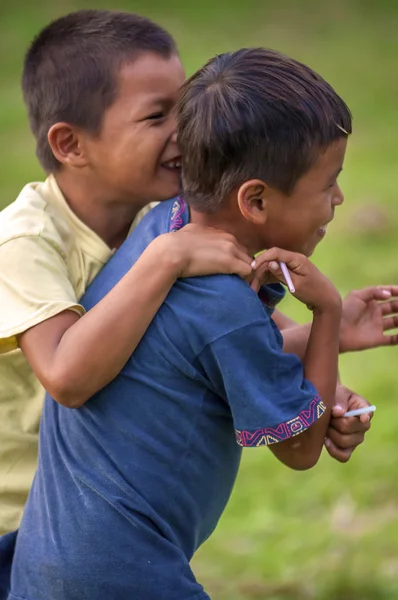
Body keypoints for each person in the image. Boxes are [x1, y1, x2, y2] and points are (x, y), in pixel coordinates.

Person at [4, 47, 391, 600]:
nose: (339, 198)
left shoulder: (165, 224)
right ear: (254, 199)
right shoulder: (221, 303)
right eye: (328, 183)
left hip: (54, 563)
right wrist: (327, 315)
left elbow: (218, 351)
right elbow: (302, 451)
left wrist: (318, 368)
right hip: (121, 575)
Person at [0, 9, 254, 536]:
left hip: (98, 517)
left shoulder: (161, 220)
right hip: (15, 527)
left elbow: (221, 344)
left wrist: (328, 342)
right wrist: (165, 259)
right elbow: (67, 377)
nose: (183, 132)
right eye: (156, 116)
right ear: (70, 145)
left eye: (183, 109)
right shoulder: (24, 243)